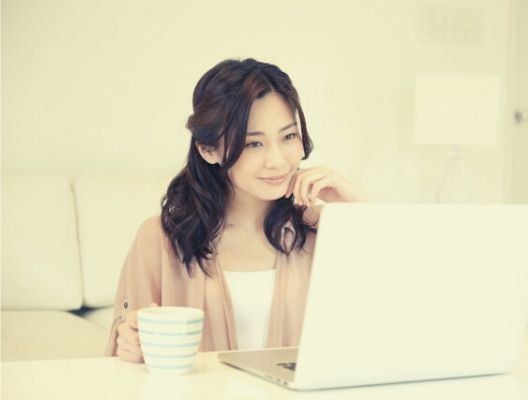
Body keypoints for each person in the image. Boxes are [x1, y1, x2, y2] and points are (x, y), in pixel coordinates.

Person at [104, 58, 368, 363]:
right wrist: (131, 343)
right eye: (253, 144)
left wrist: (355, 205)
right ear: (208, 149)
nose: (278, 161)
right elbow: (125, 346)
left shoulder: (323, 231)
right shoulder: (162, 239)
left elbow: (406, 304)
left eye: (288, 137)